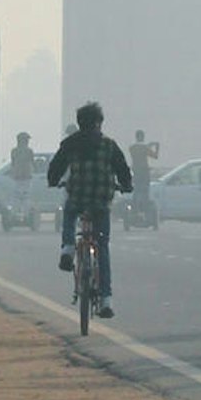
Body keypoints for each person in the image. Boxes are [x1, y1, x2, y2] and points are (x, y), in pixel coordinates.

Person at [46, 102, 134, 319]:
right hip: (102, 201)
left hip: (78, 196)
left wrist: (53, 181)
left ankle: (67, 248)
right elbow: (123, 170)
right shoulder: (109, 145)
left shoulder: (70, 143)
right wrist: (126, 185)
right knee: (102, 246)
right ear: (98, 122)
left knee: (69, 211)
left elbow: (55, 167)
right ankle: (106, 299)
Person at [130, 129, 160, 225]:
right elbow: (155, 156)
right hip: (144, 172)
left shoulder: (132, 148)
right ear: (143, 137)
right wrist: (156, 147)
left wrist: (147, 145)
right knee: (145, 191)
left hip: (136, 172)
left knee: (136, 190)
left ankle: (135, 209)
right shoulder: (145, 148)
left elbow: (138, 150)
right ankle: (145, 209)